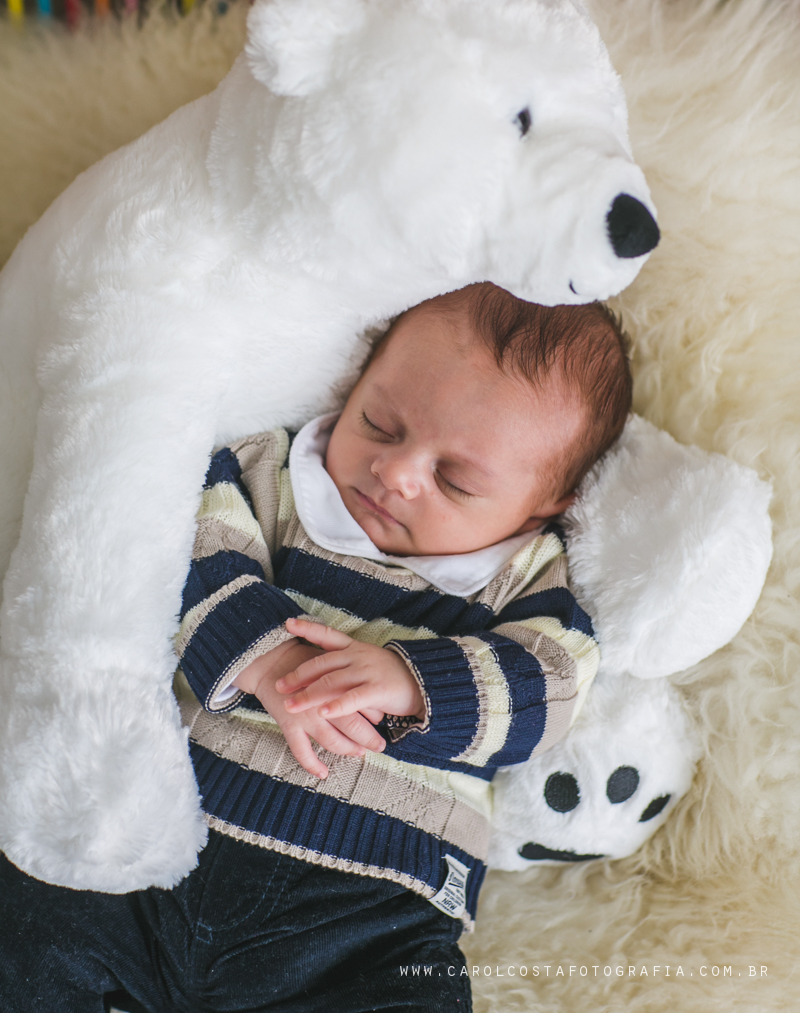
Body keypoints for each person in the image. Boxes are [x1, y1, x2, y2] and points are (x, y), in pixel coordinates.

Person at [0, 283, 632, 1013]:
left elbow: (548, 685)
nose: (395, 474)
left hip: (369, 915)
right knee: (31, 927)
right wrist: (263, 652)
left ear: (549, 501)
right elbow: (177, 546)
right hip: (151, 846)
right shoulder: (270, 474)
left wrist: (414, 683)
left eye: (454, 479)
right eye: (379, 422)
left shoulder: (530, 582)